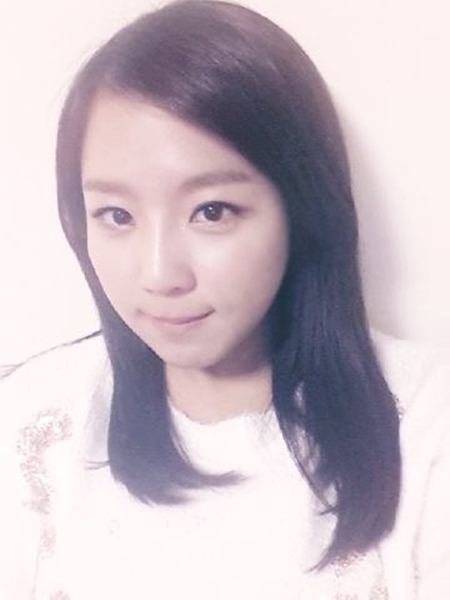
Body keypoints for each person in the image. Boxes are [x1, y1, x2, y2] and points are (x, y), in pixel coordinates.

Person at [1, 0, 449, 597]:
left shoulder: (429, 425)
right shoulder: (32, 416)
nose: (159, 275)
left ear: (302, 206)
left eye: (211, 211)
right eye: (117, 215)